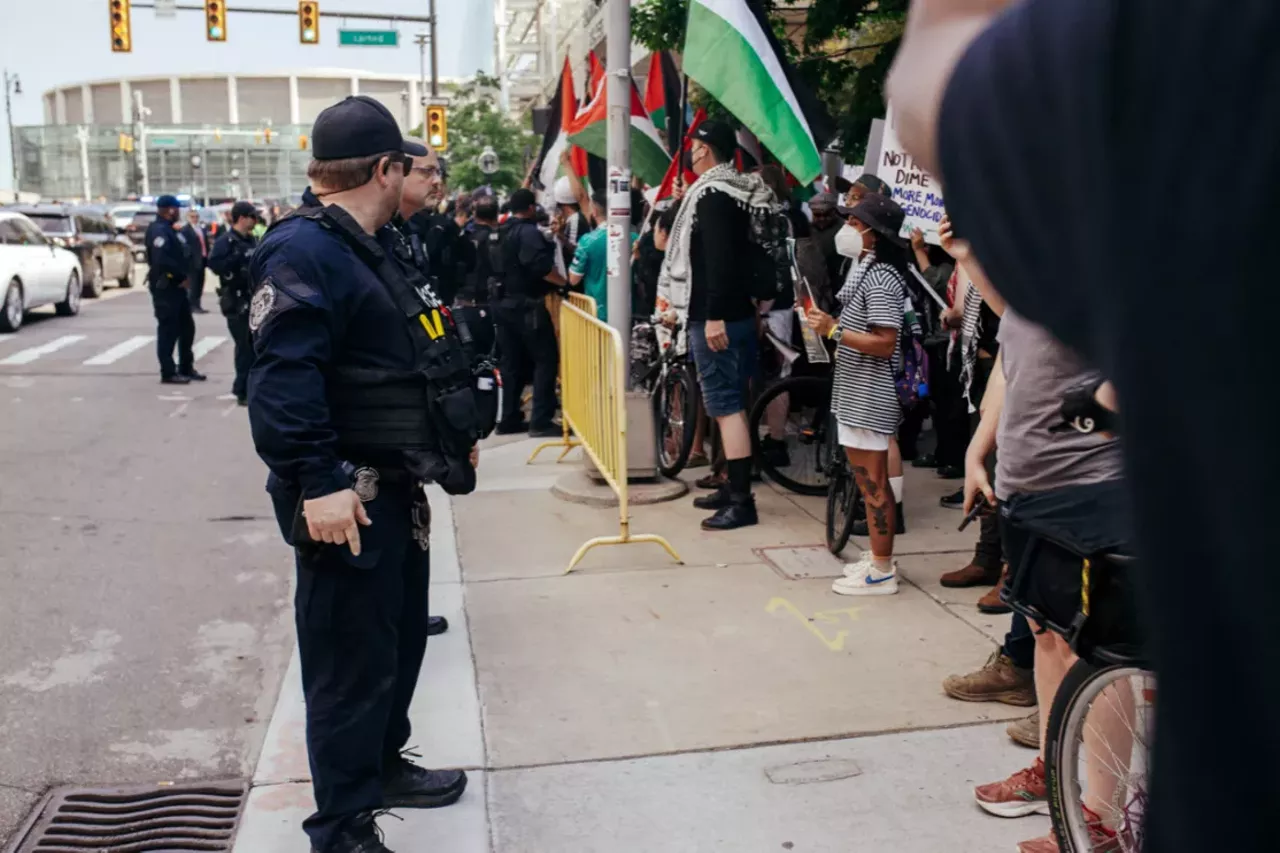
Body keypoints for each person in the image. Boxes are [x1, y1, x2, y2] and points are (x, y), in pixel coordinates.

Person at [246, 94, 476, 853]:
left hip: (397, 483)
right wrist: (317, 480)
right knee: (348, 662)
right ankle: (341, 827)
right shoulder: (303, 252)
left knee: (398, 640)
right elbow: (283, 383)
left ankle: (383, 764)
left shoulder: (372, 242)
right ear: (383, 168)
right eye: (406, 165)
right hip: (347, 493)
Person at [656, 119, 772, 531]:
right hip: (733, 311)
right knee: (728, 405)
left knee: (726, 408)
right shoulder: (727, 191)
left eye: (693, 146)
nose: (689, 152)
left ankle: (741, 501)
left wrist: (714, 316)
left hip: (717, 316)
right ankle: (730, 486)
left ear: (705, 150)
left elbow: (719, 262)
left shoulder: (713, 195)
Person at [804, 193, 909, 594]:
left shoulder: (882, 277)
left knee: (871, 482)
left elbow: (884, 342)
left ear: (873, 234)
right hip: (856, 390)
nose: (847, 227)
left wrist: (833, 329)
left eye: (855, 222)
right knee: (868, 481)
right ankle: (879, 559)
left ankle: (882, 569)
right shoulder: (865, 269)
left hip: (868, 394)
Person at [492, 187, 565, 437]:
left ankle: (509, 418)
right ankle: (541, 421)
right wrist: (564, 283)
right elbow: (542, 268)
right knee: (546, 359)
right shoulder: (528, 233)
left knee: (511, 363)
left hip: (502, 305)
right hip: (527, 306)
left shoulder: (501, 231)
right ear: (531, 208)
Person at [146, 196, 204, 385]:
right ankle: (168, 372)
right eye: (177, 209)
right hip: (167, 287)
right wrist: (180, 277)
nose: (179, 212)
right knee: (168, 330)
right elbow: (161, 260)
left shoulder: (171, 229)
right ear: (169, 209)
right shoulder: (159, 231)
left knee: (187, 328)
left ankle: (186, 367)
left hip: (177, 289)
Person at [206, 201, 258, 404]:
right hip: (235, 300)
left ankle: (247, 387)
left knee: (253, 347)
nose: (255, 221)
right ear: (242, 218)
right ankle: (242, 390)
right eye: (252, 217)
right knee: (244, 347)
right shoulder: (227, 242)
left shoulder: (251, 240)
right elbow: (214, 264)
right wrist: (235, 262)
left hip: (252, 298)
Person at [568, 189, 636, 322]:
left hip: (598, 315)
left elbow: (573, 279)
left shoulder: (587, 242)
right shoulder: (634, 238)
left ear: (594, 210)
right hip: (628, 312)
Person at [181, 208, 210, 313]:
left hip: (202, 259)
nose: (195, 219)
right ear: (188, 218)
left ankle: (198, 304)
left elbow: (205, 244)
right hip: (192, 262)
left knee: (200, 283)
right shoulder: (185, 230)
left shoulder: (201, 229)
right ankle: (192, 305)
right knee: (193, 284)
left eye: (196, 217)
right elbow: (184, 246)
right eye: (192, 217)